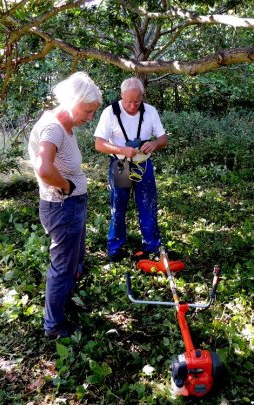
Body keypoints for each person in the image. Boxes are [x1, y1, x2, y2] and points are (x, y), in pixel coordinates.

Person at [28, 72, 102, 338]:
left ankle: (63, 304)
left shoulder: (64, 125)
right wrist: (67, 187)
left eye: (94, 112)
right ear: (72, 101)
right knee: (62, 267)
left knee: (73, 262)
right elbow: (43, 168)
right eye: (87, 111)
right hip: (63, 208)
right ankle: (54, 325)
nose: (90, 117)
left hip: (71, 207)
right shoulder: (53, 129)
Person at [94, 77, 168, 262]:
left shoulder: (150, 111)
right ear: (121, 96)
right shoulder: (110, 112)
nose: (133, 106)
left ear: (142, 97)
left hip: (143, 164)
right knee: (118, 205)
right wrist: (121, 150)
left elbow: (163, 139)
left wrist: (154, 144)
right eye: (129, 101)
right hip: (121, 165)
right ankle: (115, 247)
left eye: (137, 101)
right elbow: (99, 144)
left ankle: (151, 247)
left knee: (147, 205)